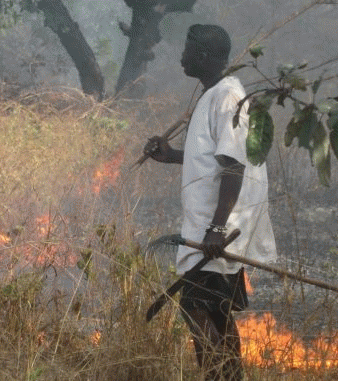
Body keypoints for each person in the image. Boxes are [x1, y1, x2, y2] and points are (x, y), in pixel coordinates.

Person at [143, 24, 276, 380]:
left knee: (195, 309)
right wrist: (171, 156)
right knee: (217, 313)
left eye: (187, 50)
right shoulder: (214, 94)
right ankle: (230, 376)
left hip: (218, 229)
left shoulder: (228, 97)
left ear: (203, 55)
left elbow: (234, 166)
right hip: (210, 226)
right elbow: (213, 157)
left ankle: (218, 376)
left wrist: (217, 228)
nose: (181, 57)